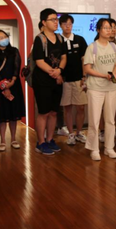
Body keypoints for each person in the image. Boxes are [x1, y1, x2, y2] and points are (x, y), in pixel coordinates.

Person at [83, 18, 116, 161]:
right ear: (98, 30)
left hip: (111, 87)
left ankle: (109, 147)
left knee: (110, 119)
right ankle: (94, 149)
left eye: (110, 28)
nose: (108, 30)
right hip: (95, 88)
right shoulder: (92, 47)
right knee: (94, 120)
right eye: (105, 28)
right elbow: (87, 69)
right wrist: (104, 75)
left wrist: (114, 73)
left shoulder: (113, 46)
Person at [32, 9, 67, 155]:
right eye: (52, 19)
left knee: (53, 112)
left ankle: (50, 139)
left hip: (57, 80)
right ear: (44, 22)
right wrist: (54, 73)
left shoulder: (60, 38)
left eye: (56, 19)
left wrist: (59, 70)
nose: (56, 22)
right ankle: (41, 142)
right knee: (44, 112)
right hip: (42, 81)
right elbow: (39, 61)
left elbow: (64, 57)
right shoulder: (40, 39)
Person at [0, 29, 25, 151]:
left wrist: (13, 81)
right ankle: (2, 140)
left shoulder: (14, 51)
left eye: (5, 36)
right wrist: (4, 86)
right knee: (2, 113)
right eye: (1, 37)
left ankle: (13, 139)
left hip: (14, 84)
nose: (4, 39)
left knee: (14, 113)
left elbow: (17, 66)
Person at [58, 14, 88, 146]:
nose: (67, 26)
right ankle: (70, 134)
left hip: (78, 79)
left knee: (81, 107)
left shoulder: (80, 40)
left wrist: (84, 76)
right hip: (64, 80)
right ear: (60, 26)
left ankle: (79, 132)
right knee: (67, 108)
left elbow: (84, 60)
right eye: (65, 24)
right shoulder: (58, 40)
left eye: (70, 24)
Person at [98, 18, 116, 142]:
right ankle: (102, 131)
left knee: (115, 107)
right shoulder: (97, 45)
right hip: (102, 82)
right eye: (109, 28)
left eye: (114, 27)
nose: (112, 30)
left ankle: (113, 129)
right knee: (102, 108)